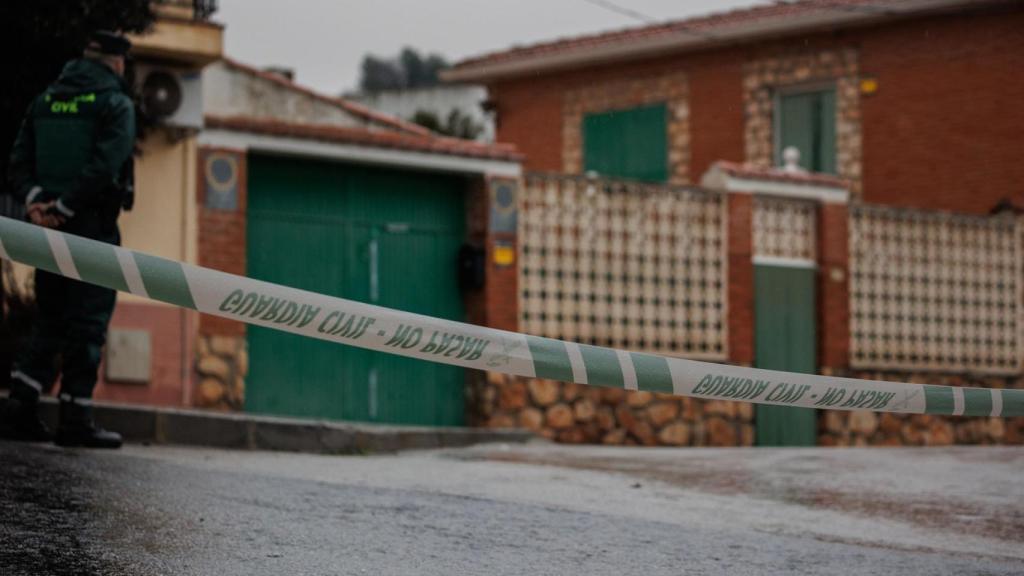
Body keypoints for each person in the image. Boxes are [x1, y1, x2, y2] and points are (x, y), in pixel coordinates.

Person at [1, 31, 136, 448]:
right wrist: (68, 206)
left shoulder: (45, 100)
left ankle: (19, 408)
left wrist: (39, 202)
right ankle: (76, 417)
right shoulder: (115, 104)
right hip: (90, 227)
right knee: (88, 319)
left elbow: (18, 162)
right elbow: (104, 166)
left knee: (50, 318)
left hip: (48, 230)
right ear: (116, 62)